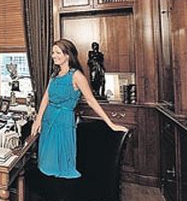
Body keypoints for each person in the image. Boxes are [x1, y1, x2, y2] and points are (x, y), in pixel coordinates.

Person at [31, 39, 127, 178]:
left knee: (60, 165)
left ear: (67, 55)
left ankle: (63, 192)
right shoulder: (54, 75)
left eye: (58, 52)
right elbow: (46, 98)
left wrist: (111, 123)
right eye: (53, 52)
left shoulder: (76, 76)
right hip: (48, 120)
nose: (53, 55)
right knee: (46, 162)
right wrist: (38, 120)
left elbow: (91, 101)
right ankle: (51, 191)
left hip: (63, 121)